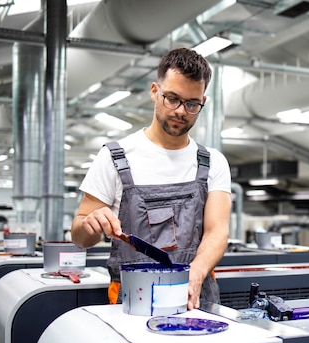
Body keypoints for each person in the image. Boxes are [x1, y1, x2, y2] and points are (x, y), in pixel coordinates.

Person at [71, 47, 232, 310]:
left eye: (191, 104)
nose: (181, 111)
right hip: (131, 304)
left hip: (196, 300)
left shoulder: (213, 161)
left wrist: (196, 272)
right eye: (172, 98)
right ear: (155, 91)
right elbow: (79, 237)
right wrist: (89, 225)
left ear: (203, 101)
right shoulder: (114, 157)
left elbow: (217, 231)